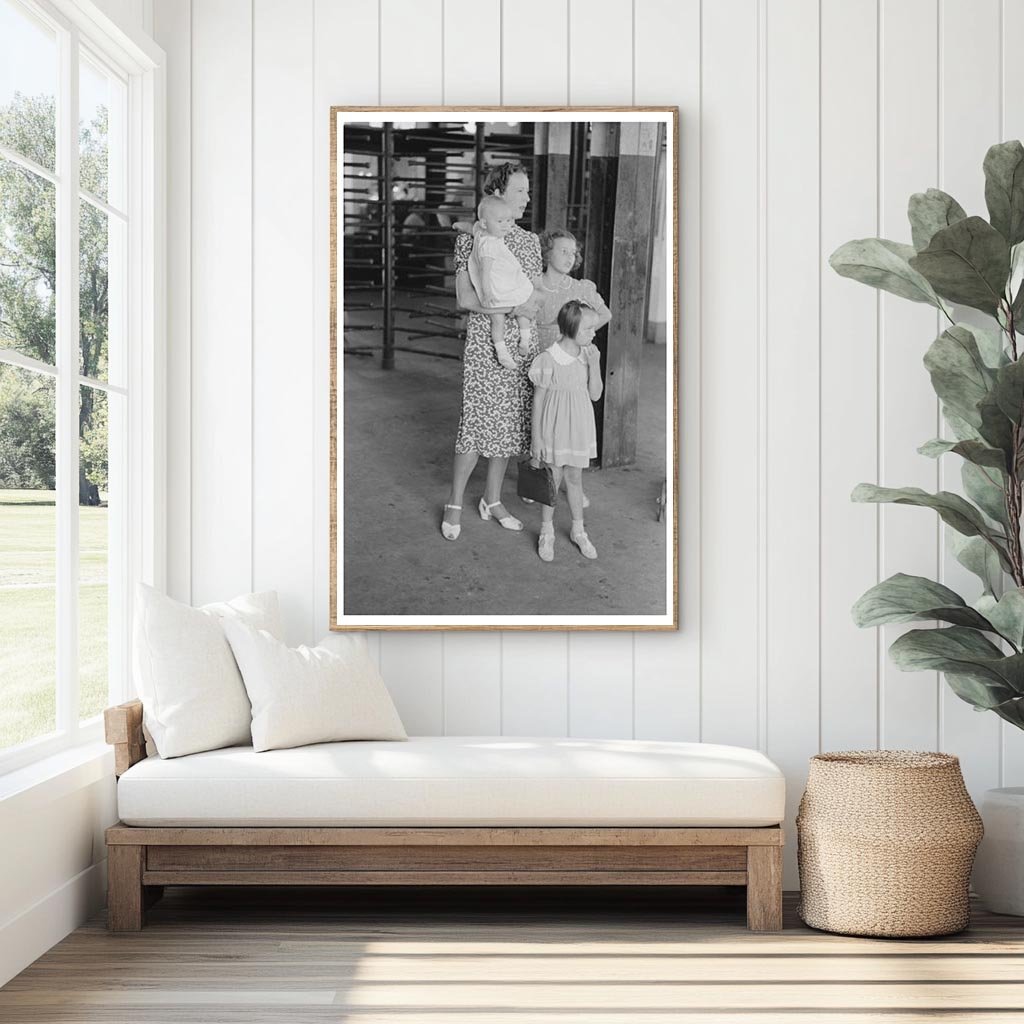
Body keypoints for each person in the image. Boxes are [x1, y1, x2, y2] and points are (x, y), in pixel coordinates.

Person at [441, 162, 542, 541]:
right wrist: (512, 307)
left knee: (509, 424)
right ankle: (454, 502)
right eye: (519, 191)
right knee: (475, 423)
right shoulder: (470, 240)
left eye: (527, 191)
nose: (526, 198)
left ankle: (492, 499)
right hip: (486, 343)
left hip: (522, 343)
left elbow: (535, 296)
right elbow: (465, 299)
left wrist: (519, 307)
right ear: (497, 193)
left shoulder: (529, 242)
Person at [528, 300, 604, 562]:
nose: (593, 333)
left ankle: (578, 530)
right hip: (554, 426)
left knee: (574, 478)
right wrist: (537, 438)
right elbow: (538, 400)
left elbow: (595, 395)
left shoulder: (588, 355)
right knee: (552, 478)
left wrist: (595, 365)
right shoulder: (548, 358)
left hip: (579, 426)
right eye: (588, 329)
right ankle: (546, 531)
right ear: (571, 328)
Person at [467, 195, 541, 369]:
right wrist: (487, 294)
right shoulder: (488, 245)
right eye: (500, 221)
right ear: (485, 223)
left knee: (510, 312)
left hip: (505, 283)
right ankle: (506, 350)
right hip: (496, 288)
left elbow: (473, 228)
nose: (506, 225)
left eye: (508, 221)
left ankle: (521, 342)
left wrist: (459, 225)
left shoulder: (483, 232)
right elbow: (485, 271)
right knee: (502, 318)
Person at [533, 229, 611, 351]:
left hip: (566, 355)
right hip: (533, 352)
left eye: (573, 253)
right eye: (564, 251)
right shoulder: (532, 284)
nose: (570, 257)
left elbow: (605, 315)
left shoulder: (580, 288)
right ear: (547, 253)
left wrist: (576, 334)